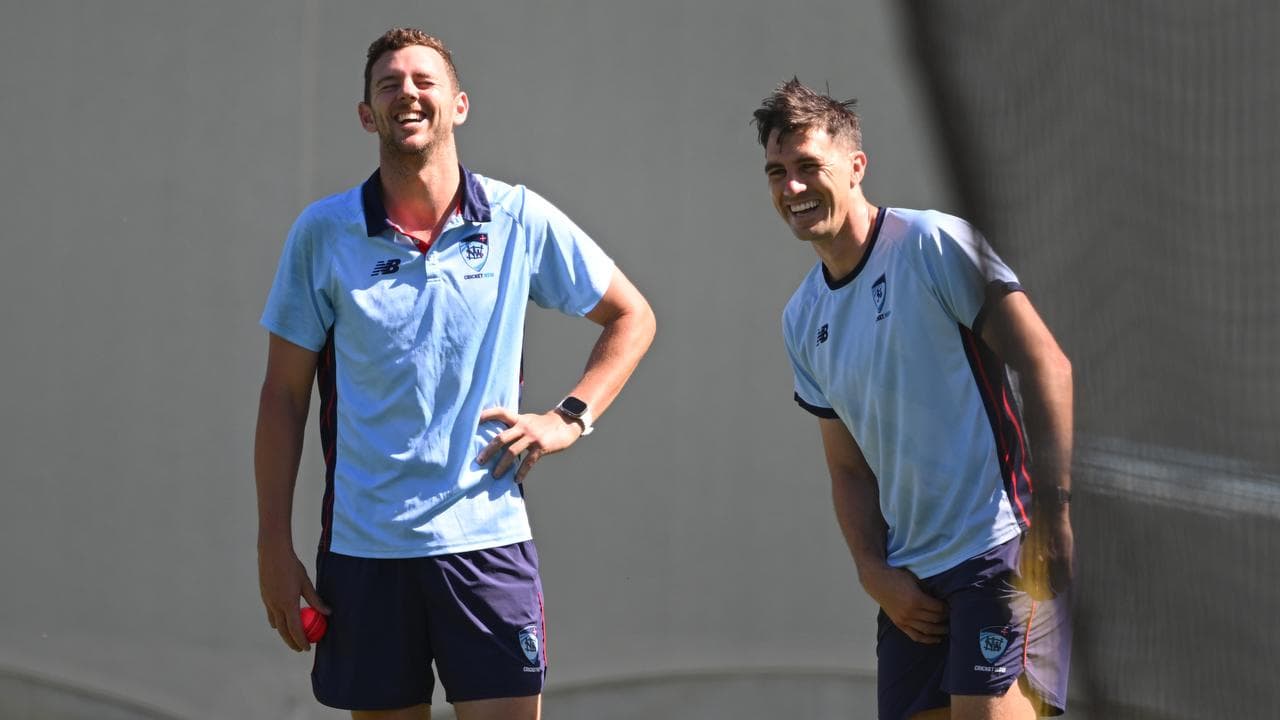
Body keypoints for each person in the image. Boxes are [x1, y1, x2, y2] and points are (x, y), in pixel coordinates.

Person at [254, 27, 655, 720]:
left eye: (423, 81)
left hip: (487, 546)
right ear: (365, 114)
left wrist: (568, 418)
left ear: (458, 105)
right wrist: (271, 543)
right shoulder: (323, 233)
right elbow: (284, 397)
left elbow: (633, 316)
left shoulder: (516, 217)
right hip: (364, 552)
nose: (406, 93)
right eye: (388, 84)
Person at [752, 79, 1074, 720]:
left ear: (855, 166)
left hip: (1001, 545)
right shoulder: (802, 317)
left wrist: (1057, 512)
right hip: (911, 584)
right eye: (777, 172)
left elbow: (1048, 365)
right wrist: (873, 571)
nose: (792, 188)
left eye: (809, 166)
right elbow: (847, 469)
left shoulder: (931, 243)